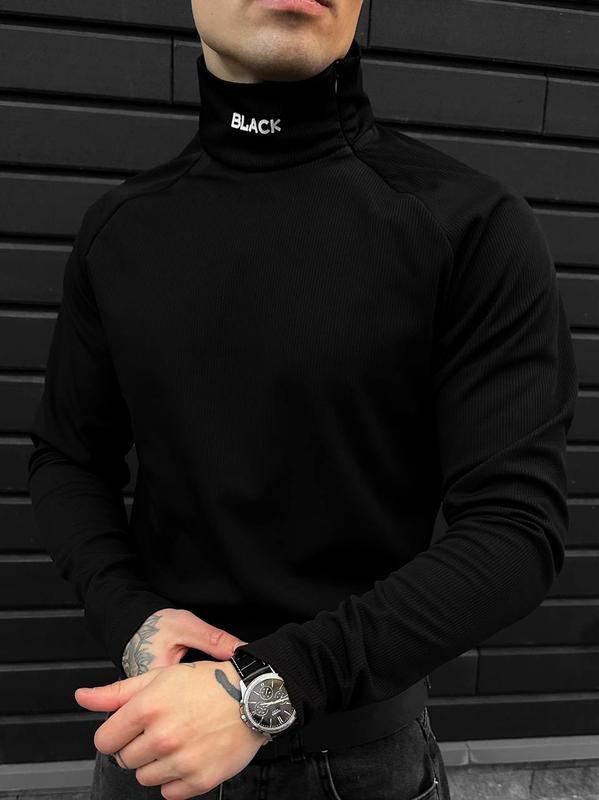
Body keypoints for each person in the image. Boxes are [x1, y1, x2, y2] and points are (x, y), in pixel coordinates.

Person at [27, 0, 578, 798]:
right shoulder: (120, 229)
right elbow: (68, 457)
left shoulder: (470, 225)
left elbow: (515, 529)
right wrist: (129, 617)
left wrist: (262, 689)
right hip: (152, 734)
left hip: (358, 763)